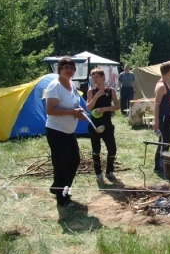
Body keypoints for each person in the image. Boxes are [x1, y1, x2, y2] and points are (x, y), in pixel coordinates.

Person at [45, 56, 85, 208]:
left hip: (68, 132)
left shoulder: (72, 85)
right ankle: (63, 199)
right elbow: (50, 110)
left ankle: (59, 188)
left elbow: (74, 105)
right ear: (59, 69)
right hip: (56, 131)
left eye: (71, 68)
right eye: (65, 67)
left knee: (74, 161)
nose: (69, 70)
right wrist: (72, 113)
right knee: (61, 164)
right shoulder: (55, 86)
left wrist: (79, 111)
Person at [86, 67, 120, 182]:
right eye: (93, 77)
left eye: (97, 77)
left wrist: (105, 108)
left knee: (112, 149)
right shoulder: (91, 91)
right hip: (94, 125)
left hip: (107, 124)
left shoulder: (111, 91)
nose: (95, 79)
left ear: (103, 77)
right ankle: (98, 174)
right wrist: (96, 96)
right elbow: (88, 107)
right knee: (96, 150)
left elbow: (117, 106)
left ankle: (109, 171)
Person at [153, 62, 170, 173]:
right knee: (163, 141)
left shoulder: (165, 84)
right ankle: (159, 166)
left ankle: (163, 164)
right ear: (169, 71)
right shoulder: (161, 85)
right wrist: (156, 121)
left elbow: (163, 101)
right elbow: (156, 104)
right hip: (162, 118)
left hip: (167, 117)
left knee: (167, 141)